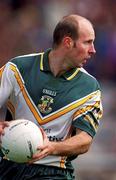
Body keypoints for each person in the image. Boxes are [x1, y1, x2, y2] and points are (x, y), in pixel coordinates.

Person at [0, 14, 103, 180]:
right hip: (8, 166)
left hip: (54, 171)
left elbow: (85, 139)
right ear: (68, 42)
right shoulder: (17, 68)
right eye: (88, 42)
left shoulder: (89, 87)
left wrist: (52, 147)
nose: (93, 50)